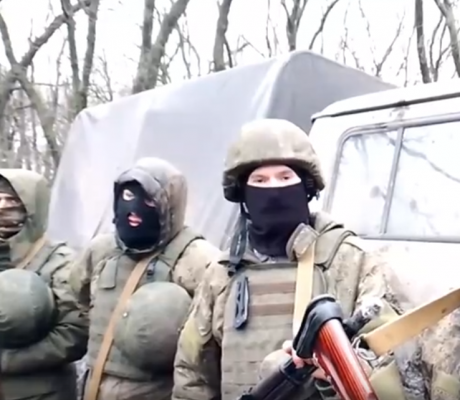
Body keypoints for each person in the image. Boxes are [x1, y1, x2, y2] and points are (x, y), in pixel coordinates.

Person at [172, 118, 412, 400]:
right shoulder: (221, 274)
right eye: (259, 180)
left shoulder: (351, 260)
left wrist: (348, 369)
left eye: (285, 177)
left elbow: (395, 359)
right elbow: (193, 375)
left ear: (307, 186)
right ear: (243, 194)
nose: (273, 191)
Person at [69, 157, 220, 400]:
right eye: (128, 196)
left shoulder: (197, 258)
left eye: (150, 200)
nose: (135, 208)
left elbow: (212, 337)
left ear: (170, 207)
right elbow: (78, 300)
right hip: (94, 386)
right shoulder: (101, 251)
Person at [0, 169, 88, 400]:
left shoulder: (62, 262)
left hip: (41, 391)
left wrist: (7, 361)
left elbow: (74, 333)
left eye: (11, 201)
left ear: (32, 208)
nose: (2, 207)